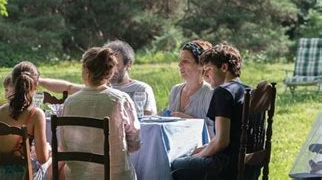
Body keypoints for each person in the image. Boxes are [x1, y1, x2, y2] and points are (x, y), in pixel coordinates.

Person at [171, 43, 250, 180]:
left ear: (224, 67)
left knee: (176, 165)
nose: (205, 75)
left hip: (226, 165)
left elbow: (221, 142)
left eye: (208, 70)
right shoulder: (247, 90)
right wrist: (204, 149)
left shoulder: (222, 92)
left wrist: (198, 156)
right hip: (248, 165)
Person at [60, 47, 141, 179]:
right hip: (115, 175)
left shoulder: (70, 102)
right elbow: (135, 141)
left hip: (78, 176)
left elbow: (64, 145)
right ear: (110, 72)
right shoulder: (119, 100)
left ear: (86, 70)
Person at [39, 40, 157, 115]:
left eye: (116, 65)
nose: (112, 70)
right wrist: (39, 80)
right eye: (109, 65)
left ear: (129, 65)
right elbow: (68, 87)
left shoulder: (142, 89)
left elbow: (150, 120)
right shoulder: (97, 88)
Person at [0, 61, 51, 180]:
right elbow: (42, 158)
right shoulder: (35, 114)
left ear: (12, 82)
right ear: (35, 85)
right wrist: (47, 150)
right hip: (24, 176)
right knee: (51, 164)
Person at [166, 40, 215, 137]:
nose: (179, 65)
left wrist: (188, 120)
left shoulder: (210, 93)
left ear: (200, 65)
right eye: (180, 61)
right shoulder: (175, 90)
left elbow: (215, 134)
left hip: (201, 150)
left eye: (185, 61)